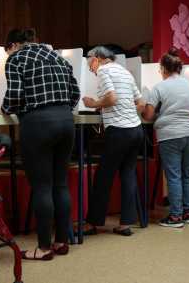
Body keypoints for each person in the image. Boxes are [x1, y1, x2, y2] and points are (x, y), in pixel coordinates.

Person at [2, 28, 80, 260]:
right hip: (66, 121)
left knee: (42, 186)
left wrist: (5, 109)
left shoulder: (16, 58)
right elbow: (74, 94)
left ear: (14, 45)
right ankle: (61, 242)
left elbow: (14, 97)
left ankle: (44, 248)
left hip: (38, 123)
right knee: (61, 184)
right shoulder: (58, 57)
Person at [82, 46, 145, 237]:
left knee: (103, 177)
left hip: (119, 132)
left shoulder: (103, 70)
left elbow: (111, 97)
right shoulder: (125, 72)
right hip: (136, 130)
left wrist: (94, 104)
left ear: (98, 58)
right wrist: (126, 112)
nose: (90, 68)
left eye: (89, 62)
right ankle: (125, 224)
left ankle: (93, 223)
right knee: (128, 175)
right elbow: (140, 103)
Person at [142, 48, 189, 228]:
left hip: (171, 135)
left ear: (164, 69)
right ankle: (187, 212)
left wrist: (143, 107)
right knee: (186, 175)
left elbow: (148, 116)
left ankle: (175, 217)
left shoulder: (159, 87)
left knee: (174, 176)